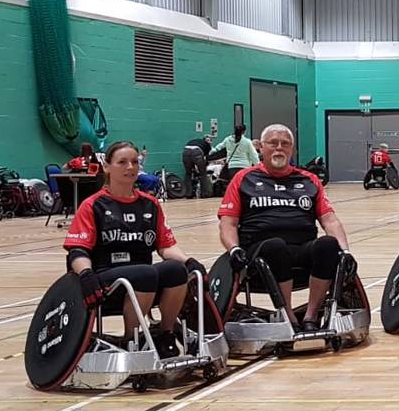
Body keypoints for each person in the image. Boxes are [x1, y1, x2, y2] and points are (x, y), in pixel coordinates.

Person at [63, 139, 200, 356]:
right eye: (122, 162)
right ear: (107, 167)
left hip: (146, 281)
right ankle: (131, 340)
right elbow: (78, 250)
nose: (130, 168)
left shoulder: (150, 204)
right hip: (106, 281)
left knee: (175, 270)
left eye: (135, 162)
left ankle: (166, 334)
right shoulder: (93, 205)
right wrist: (85, 274)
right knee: (144, 272)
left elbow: (165, 246)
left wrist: (188, 261)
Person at [217, 124, 351, 330]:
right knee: (275, 246)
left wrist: (345, 251)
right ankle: (288, 316)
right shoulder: (243, 179)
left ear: (292, 149)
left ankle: (310, 317)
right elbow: (228, 223)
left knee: (328, 245)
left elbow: (330, 220)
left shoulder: (309, 180)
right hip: (259, 254)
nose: (279, 148)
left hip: (301, 249)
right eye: (273, 143)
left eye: (285, 144)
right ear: (261, 148)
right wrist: (234, 249)